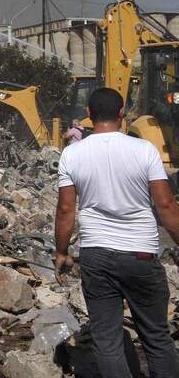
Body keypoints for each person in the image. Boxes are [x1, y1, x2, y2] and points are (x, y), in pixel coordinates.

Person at [55, 87, 179, 377]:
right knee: (157, 338)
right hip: (141, 255)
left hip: (96, 256)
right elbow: (165, 204)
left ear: (88, 115)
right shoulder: (145, 150)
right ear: (122, 114)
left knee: (107, 342)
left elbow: (65, 210)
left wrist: (61, 251)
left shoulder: (71, 154)